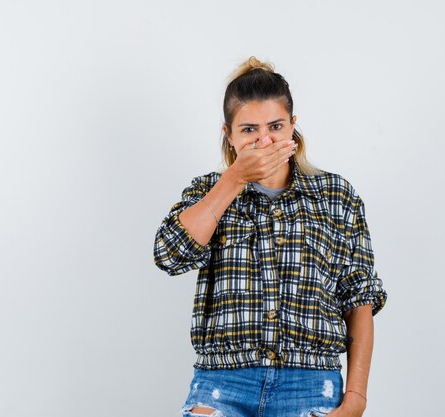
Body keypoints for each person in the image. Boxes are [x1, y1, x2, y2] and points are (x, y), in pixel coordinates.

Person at [153, 56, 387, 417]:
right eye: (248, 130)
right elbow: (169, 255)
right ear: (228, 135)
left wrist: (356, 398)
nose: (264, 140)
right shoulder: (207, 191)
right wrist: (233, 180)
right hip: (222, 385)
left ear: (293, 126)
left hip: (311, 385)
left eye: (275, 126)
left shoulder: (336, 196)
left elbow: (359, 299)